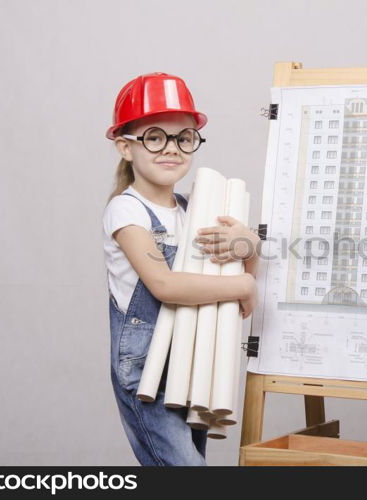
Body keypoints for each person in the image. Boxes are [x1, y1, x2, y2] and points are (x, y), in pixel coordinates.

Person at [102, 72, 260, 466]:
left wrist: (249, 245)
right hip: (147, 372)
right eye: (155, 137)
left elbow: (242, 275)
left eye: (184, 138)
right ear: (125, 146)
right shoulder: (127, 210)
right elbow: (164, 284)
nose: (171, 149)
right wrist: (242, 283)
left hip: (195, 359)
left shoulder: (197, 209)